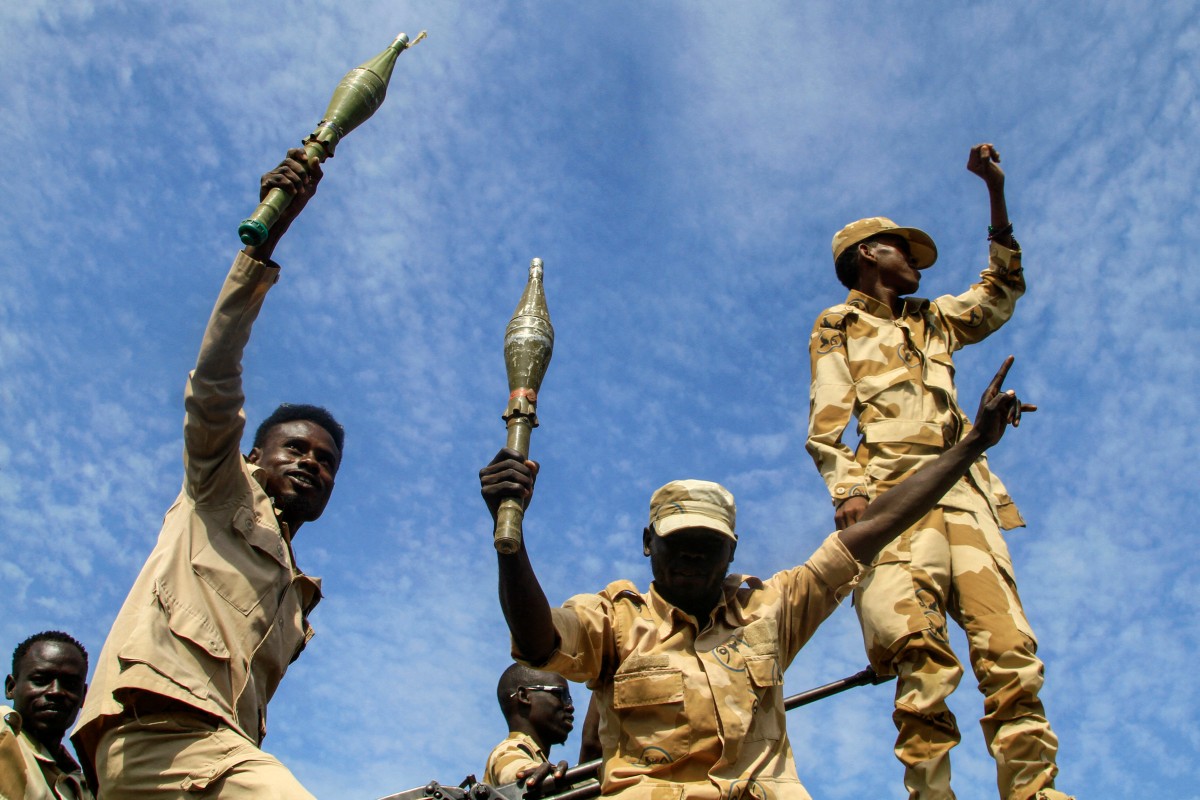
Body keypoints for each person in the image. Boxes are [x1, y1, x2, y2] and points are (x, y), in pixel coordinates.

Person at [481, 358, 1032, 800]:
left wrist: (971, 446)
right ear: (648, 544)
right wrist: (512, 538)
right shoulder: (614, 621)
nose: (693, 559)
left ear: (733, 551)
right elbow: (537, 641)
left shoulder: (772, 608)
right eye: (678, 544)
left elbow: (882, 523)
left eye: (709, 547)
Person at [71, 150, 340, 799]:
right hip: (161, 733)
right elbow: (215, 376)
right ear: (252, 456)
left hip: (210, 757)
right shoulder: (221, 489)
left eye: (326, 462)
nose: (310, 463)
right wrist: (262, 246)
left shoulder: (297, 603)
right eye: (296, 449)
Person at [805, 144, 1069, 800]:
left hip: (968, 501)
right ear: (869, 255)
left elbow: (1000, 292)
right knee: (918, 654)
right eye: (903, 251)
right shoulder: (838, 325)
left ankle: (1034, 792)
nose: (917, 262)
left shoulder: (934, 321)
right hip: (896, 504)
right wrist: (849, 492)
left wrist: (996, 196)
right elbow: (827, 427)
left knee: (1010, 655)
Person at [1, 632, 92, 800]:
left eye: (70, 684)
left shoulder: (86, 788)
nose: (56, 691)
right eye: (40, 680)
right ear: (11, 687)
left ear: (83, 696)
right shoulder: (3, 732)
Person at [483, 665, 574, 794]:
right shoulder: (509, 749)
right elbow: (515, 771)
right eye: (561, 694)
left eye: (569, 698)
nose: (570, 706)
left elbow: (591, 744)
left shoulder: (535, 755)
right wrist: (538, 776)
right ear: (524, 696)